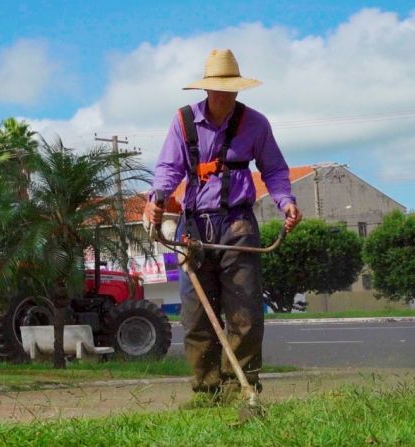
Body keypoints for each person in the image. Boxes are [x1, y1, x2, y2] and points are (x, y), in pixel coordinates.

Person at [144, 48, 302, 407]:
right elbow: (168, 169)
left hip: (238, 224)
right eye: (218, 89)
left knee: (244, 314)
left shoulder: (256, 124)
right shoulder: (183, 122)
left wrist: (286, 201)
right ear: (206, 90)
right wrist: (158, 197)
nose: (225, 96)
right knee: (196, 315)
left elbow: (275, 170)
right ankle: (206, 390)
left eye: (231, 89)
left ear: (238, 90)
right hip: (194, 228)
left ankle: (240, 390)